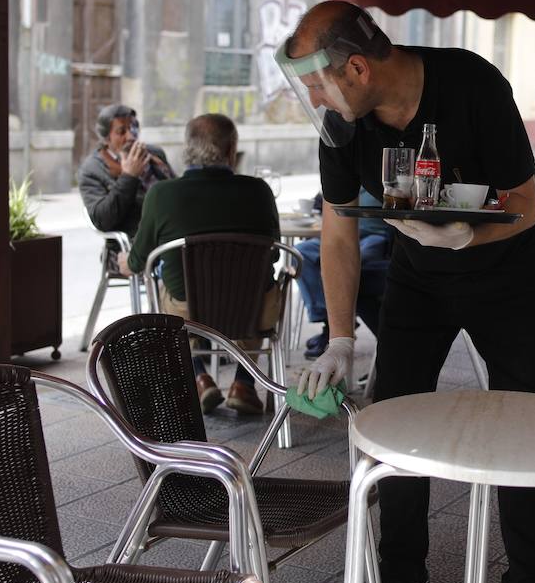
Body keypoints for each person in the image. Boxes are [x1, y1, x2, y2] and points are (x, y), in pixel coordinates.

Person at [276, 0, 535, 583]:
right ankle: (402, 577)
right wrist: (342, 338)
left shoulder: (472, 85)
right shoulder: (342, 126)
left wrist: (464, 239)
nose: (316, 98)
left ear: (355, 69)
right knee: (393, 423)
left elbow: (525, 205)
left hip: (507, 275)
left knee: (524, 422)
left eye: (319, 83)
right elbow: (339, 230)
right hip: (417, 278)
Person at [120, 114, 280, 413]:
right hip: (253, 311)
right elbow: (273, 255)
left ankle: (199, 377)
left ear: (187, 149)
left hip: (189, 315)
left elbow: (138, 262)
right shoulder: (259, 191)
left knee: (171, 289)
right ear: (232, 150)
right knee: (251, 287)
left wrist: (125, 261)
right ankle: (244, 383)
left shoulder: (161, 195)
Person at [296, 189, 390, 358]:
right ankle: (330, 322)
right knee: (301, 254)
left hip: (374, 235)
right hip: (339, 234)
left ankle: (338, 328)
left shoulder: (379, 181)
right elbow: (321, 202)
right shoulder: (346, 174)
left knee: (359, 266)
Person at [78, 103, 175, 250]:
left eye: (133, 127)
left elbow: (177, 189)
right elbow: (103, 220)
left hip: (172, 231)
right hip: (134, 244)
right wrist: (129, 176)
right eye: (121, 131)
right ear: (106, 138)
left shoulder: (155, 154)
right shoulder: (92, 169)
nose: (131, 136)